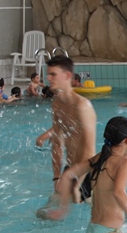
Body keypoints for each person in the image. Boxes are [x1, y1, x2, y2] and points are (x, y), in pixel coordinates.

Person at [41, 117, 127, 233]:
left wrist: (63, 209)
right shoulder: (124, 162)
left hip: (93, 230)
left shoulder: (100, 158)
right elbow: (119, 192)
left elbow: (68, 175)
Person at [36, 56, 96, 204]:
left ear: (67, 76)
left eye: (53, 74)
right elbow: (57, 141)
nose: (48, 78)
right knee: (46, 214)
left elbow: (90, 151)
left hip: (87, 172)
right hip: (70, 170)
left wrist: (76, 184)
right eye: (48, 74)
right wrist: (57, 177)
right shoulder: (57, 105)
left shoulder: (82, 106)